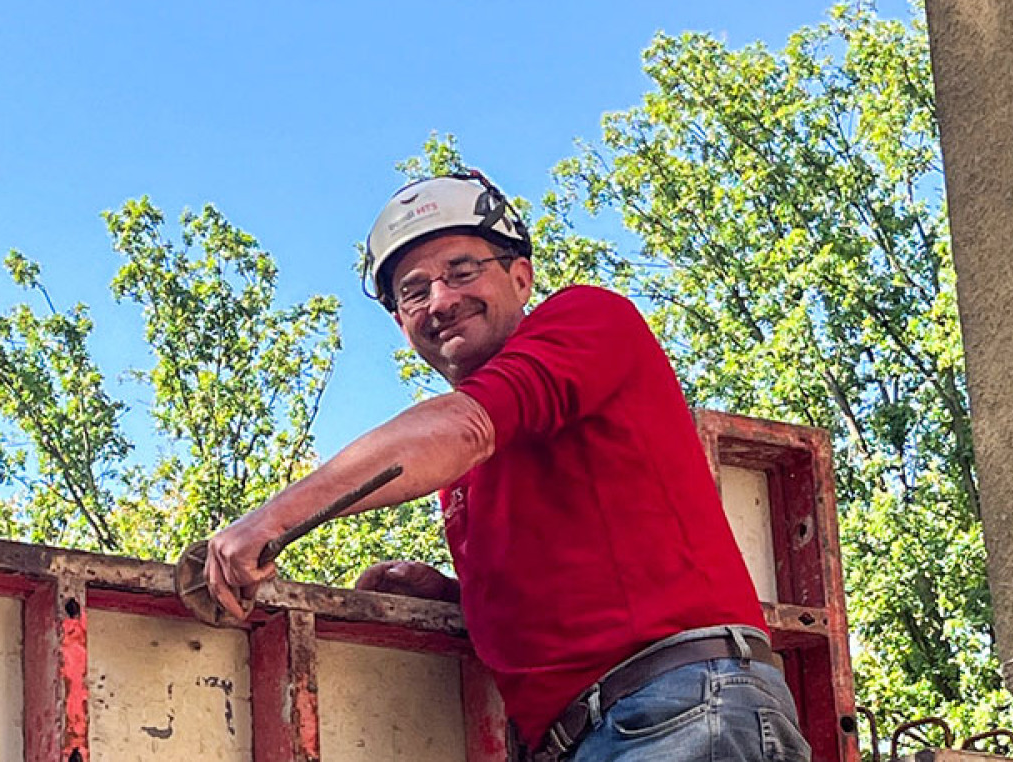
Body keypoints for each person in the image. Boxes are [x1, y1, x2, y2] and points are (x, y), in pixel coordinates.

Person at [199, 171, 810, 761]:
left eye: (462, 270)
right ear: (399, 321)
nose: (440, 300)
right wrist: (456, 601)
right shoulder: (472, 467)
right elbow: (586, 583)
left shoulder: (589, 323)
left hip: (680, 712)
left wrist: (269, 521)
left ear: (521, 277)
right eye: (414, 290)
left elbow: (464, 425)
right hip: (619, 727)